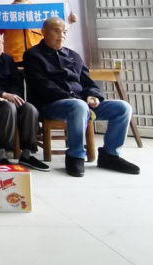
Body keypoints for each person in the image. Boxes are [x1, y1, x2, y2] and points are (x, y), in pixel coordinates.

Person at [24, 17, 140, 178]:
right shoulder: (33, 55)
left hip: (82, 103)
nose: (61, 36)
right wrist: (72, 97)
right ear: (43, 32)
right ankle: (75, 155)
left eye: (64, 32)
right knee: (78, 106)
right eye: (56, 31)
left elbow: (88, 82)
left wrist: (93, 95)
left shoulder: (73, 55)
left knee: (122, 107)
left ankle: (110, 155)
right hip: (53, 104)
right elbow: (42, 85)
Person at [0, 29, 49, 171]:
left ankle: (27, 154)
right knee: (8, 108)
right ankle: (0, 155)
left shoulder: (8, 59)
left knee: (29, 109)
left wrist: (11, 96)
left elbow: (16, 84)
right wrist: (2, 94)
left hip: (8, 99)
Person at [2, 0, 78, 64]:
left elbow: (54, 25)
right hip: (14, 56)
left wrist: (68, 20)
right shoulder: (5, 12)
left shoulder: (40, 11)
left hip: (39, 55)